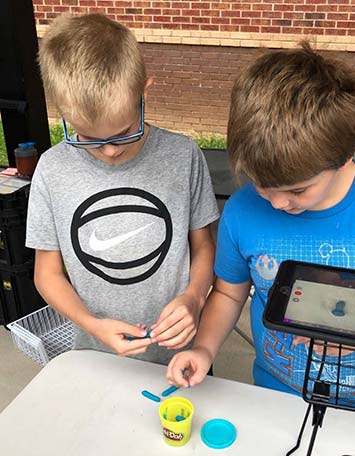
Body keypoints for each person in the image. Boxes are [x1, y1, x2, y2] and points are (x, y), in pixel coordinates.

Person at [166, 41, 355, 412]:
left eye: (297, 190)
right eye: (260, 184)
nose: (276, 203)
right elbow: (227, 294)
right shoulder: (242, 211)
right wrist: (205, 349)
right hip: (277, 393)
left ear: (346, 154)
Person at [26, 13, 219, 364]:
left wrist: (194, 297)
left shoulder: (183, 155)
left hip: (179, 354)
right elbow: (47, 273)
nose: (111, 150)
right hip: (96, 352)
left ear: (143, 90)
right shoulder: (52, 170)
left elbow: (204, 247)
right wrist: (91, 324)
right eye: (89, 138)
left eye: (123, 131)